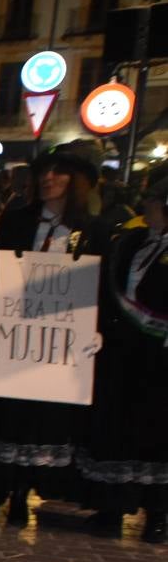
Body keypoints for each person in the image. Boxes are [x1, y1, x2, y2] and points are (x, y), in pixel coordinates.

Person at [0, 141, 117, 522]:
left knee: (40, 422)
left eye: (58, 172)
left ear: (78, 181)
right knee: (3, 416)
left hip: (59, 343)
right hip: (14, 335)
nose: (48, 178)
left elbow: (101, 286)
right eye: (45, 171)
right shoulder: (18, 220)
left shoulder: (93, 231)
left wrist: (99, 328)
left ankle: (23, 492)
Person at [80, 171, 168, 542]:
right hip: (123, 350)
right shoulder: (132, 240)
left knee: (155, 433)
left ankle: (157, 513)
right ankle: (111, 504)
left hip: (160, 356)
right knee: (118, 426)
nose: (145, 209)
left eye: (152, 203)